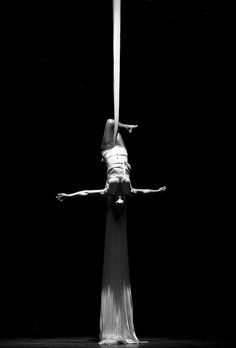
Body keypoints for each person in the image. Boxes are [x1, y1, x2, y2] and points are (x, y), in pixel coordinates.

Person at [56, 119, 166, 206]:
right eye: (121, 209)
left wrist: (68, 196)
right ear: (123, 206)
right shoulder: (129, 191)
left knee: (110, 122)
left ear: (114, 205)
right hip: (122, 152)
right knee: (116, 131)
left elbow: (86, 193)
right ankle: (126, 128)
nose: (119, 207)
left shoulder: (107, 192)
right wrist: (157, 191)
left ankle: (127, 126)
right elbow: (145, 192)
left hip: (109, 151)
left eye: (116, 208)